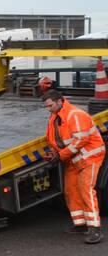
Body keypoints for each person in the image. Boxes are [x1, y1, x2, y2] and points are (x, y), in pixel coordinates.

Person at [42, 89, 104, 244]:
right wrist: (53, 152)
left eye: (50, 106)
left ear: (59, 101)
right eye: (46, 106)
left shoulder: (75, 115)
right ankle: (81, 225)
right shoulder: (55, 117)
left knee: (86, 190)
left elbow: (80, 140)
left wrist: (60, 155)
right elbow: (54, 140)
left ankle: (95, 229)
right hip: (74, 159)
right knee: (71, 191)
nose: (48, 109)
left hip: (89, 158)